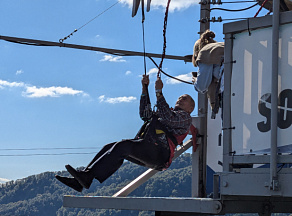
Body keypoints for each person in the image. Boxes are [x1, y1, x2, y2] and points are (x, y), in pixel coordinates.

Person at [56, 75, 196, 192]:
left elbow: (168, 118)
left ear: (191, 108)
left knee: (123, 146)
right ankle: (82, 180)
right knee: (111, 147)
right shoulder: (165, 113)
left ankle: (86, 178)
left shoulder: (185, 118)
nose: (180, 99)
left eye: (185, 99)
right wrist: (144, 88)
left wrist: (158, 91)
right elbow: (145, 114)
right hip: (151, 148)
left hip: (159, 153)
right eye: (180, 97)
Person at [192, 30, 224, 118]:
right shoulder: (221, 47)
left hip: (227, 85)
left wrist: (195, 81)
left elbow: (202, 85)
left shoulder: (205, 53)